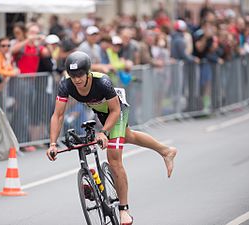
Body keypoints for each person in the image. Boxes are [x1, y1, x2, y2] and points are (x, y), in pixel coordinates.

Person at [46, 51, 177, 225]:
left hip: (116, 109)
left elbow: (114, 111)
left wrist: (104, 132)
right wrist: (53, 143)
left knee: (114, 158)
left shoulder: (102, 82)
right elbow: (58, 115)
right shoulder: (66, 85)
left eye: (79, 75)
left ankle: (124, 210)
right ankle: (166, 151)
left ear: (87, 72)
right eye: (72, 75)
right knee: (128, 136)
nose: (76, 79)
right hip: (100, 111)